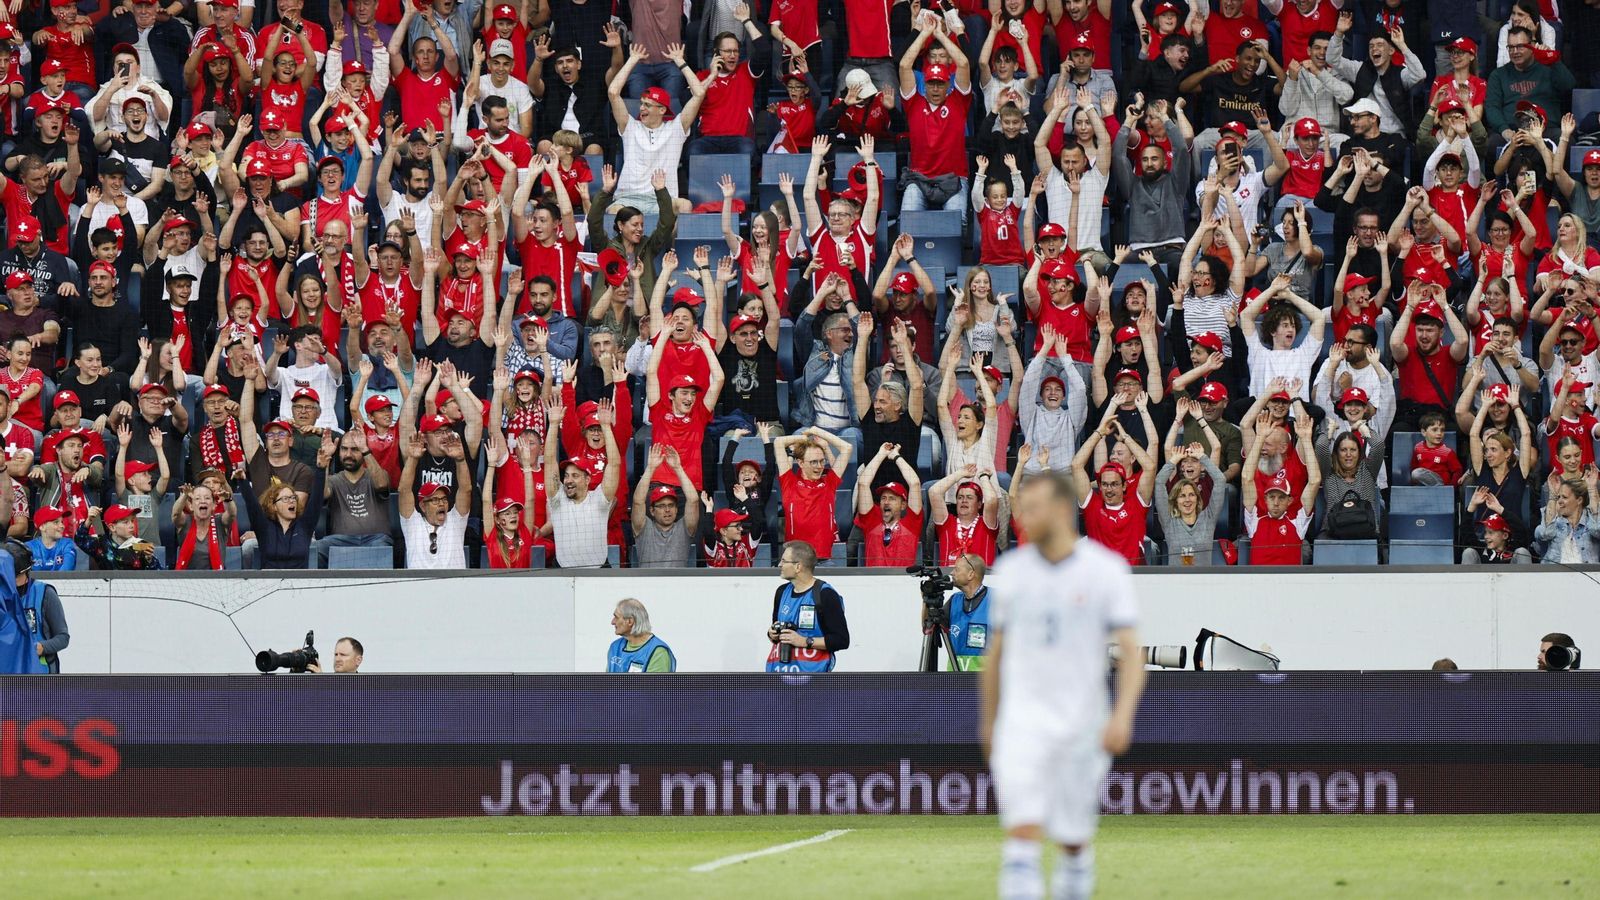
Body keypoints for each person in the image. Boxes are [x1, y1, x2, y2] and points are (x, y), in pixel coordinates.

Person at [980, 470, 1145, 900]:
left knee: (1073, 842)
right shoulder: (1012, 571)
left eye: (1032, 509)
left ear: (1059, 509)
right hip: (1023, 723)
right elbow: (995, 656)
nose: (1024, 519)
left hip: (1082, 723)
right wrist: (989, 723)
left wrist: (1122, 716)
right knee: (1021, 839)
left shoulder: (1105, 571)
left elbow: (1131, 653)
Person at [766, 540, 848, 672]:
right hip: (779, 674)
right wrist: (772, 634)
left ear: (798, 567)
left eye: (784, 561)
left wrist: (804, 641)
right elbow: (775, 628)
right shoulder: (781, 592)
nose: (779, 565)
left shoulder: (825, 595)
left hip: (813, 679)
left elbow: (841, 640)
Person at [397, 431, 473, 569]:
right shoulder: (413, 524)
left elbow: (466, 490)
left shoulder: (456, 521)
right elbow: (404, 490)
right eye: (435, 500)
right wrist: (413, 459)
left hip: (453, 586)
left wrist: (461, 460)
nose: (441, 503)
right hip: (419, 587)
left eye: (444, 499)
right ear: (422, 506)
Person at [0, 540, 68, 673]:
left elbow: (63, 637)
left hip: (38, 675)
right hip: (6, 672)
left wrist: (41, 647)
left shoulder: (45, 593)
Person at [943, 553, 990, 672]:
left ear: (971, 574)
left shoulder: (996, 599)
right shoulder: (954, 600)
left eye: (957, 569)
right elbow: (928, 628)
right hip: (955, 682)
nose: (952, 573)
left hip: (984, 683)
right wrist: (927, 602)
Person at [607, 598, 676, 672]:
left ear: (630, 621)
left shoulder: (658, 652)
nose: (612, 622)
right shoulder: (615, 647)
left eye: (616, 617)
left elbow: (656, 683)